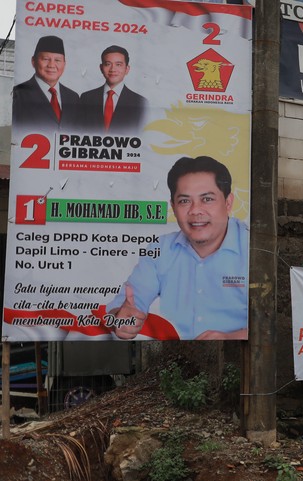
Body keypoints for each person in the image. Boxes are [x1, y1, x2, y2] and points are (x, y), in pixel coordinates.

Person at [106, 156, 248, 340]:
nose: (195, 210)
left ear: (228, 203)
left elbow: (274, 323)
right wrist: (120, 318)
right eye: (184, 201)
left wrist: (231, 338)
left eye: (207, 199)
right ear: (173, 206)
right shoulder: (161, 249)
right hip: (172, 353)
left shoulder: (255, 248)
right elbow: (124, 307)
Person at [12, 35, 79, 131]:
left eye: (57, 60)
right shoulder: (19, 93)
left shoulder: (73, 97)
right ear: (33, 61)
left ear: (64, 64)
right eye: (45, 59)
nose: (51, 65)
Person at [79, 45, 147, 133]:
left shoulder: (140, 102)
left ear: (127, 69)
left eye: (118, 64)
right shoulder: (86, 98)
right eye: (108, 64)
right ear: (101, 68)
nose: (113, 69)